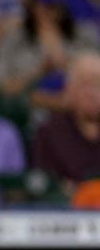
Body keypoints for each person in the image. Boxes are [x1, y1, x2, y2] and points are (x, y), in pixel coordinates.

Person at [34, 52, 100, 186]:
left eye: (98, 85)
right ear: (69, 90)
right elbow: (44, 186)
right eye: (84, 85)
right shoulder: (49, 132)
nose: (91, 93)